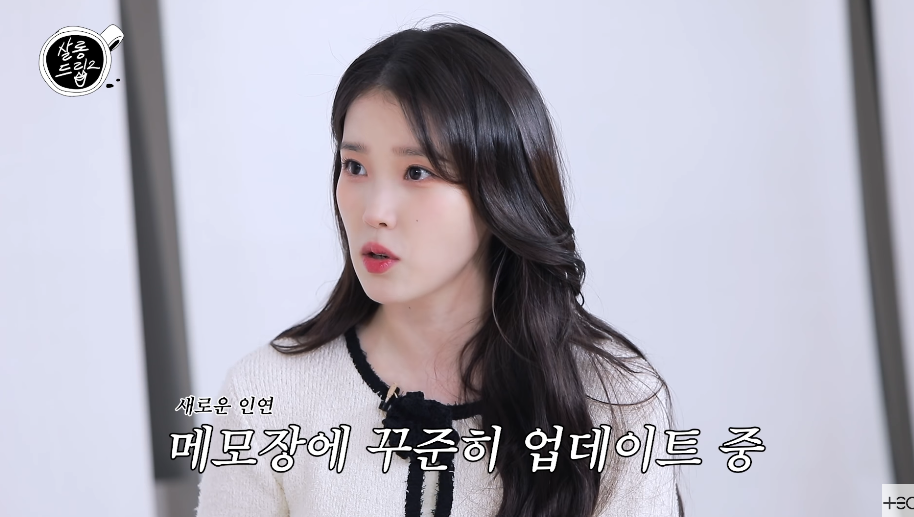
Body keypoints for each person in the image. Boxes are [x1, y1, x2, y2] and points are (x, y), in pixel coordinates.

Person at [195, 20, 683, 517]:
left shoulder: (615, 404)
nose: (375, 212)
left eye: (417, 172)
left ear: (500, 191)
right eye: (355, 167)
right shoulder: (265, 396)